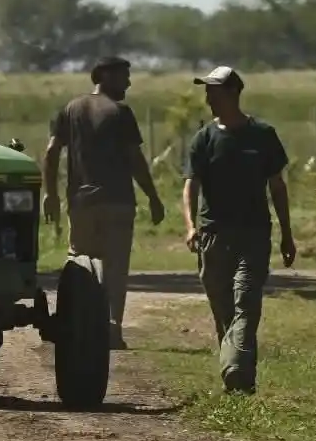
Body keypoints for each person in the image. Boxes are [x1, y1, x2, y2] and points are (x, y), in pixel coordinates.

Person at [182, 65, 296, 395]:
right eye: (206, 91)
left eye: (213, 91)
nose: (208, 98)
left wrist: (287, 234)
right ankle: (238, 380)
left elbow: (277, 186)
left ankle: (236, 369)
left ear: (233, 93)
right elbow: (190, 186)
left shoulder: (262, 135)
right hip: (213, 236)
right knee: (223, 310)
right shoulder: (204, 138)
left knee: (246, 303)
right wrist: (190, 226)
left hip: (253, 234)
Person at [43, 56, 165, 349]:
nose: (129, 82)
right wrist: (153, 196)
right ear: (105, 76)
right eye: (124, 76)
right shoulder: (120, 112)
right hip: (117, 201)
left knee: (79, 264)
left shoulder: (70, 109)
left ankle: (76, 325)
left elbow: (50, 152)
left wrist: (51, 193)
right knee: (115, 267)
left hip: (81, 202)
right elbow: (135, 159)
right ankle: (112, 329)